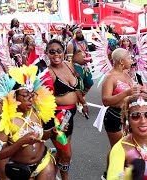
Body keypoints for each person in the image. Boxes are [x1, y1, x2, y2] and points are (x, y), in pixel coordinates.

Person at [0, 65, 57, 180]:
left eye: (32, 94)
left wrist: (52, 132)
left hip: (43, 162)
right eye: (25, 95)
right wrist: (21, 142)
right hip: (20, 169)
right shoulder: (5, 120)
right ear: (13, 96)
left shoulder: (36, 110)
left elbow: (41, 136)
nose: (30, 99)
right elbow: (0, 154)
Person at [101, 48, 145, 180]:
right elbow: (105, 100)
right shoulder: (110, 77)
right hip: (114, 117)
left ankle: (110, 173)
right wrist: (126, 93)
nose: (131, 60)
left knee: (125, 149)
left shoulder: (127, 74)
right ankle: (110, 175)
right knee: (118, 150)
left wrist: (145, 93)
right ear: (121, 61)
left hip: (129, 117)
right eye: (129, 58)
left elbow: (134, 92)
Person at [47, 39, 88, 180]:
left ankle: (48, 173)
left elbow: (76, 89)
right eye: (52, 52)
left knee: (62, 151)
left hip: (70, 114)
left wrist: (83, 103)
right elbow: (42, 99)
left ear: (64, 52)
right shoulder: (48, 73)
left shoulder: (68, 65)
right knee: (67, 153)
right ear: (47, 54)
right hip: (58, 117)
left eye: (59, 51)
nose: (56, 54)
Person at [66, 27, 94, 97]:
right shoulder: (71, 44)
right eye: (78, 33)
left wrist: (91, 63)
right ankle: (78, 100)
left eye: (81, 32)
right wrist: (74, 71)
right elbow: (69, 60)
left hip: (85, 67)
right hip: (76, 66)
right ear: (74, 34)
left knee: (89, 83)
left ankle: (81, 97)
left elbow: (88, 52)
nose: (80, 34)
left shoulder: (84, 41)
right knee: (79, 85)